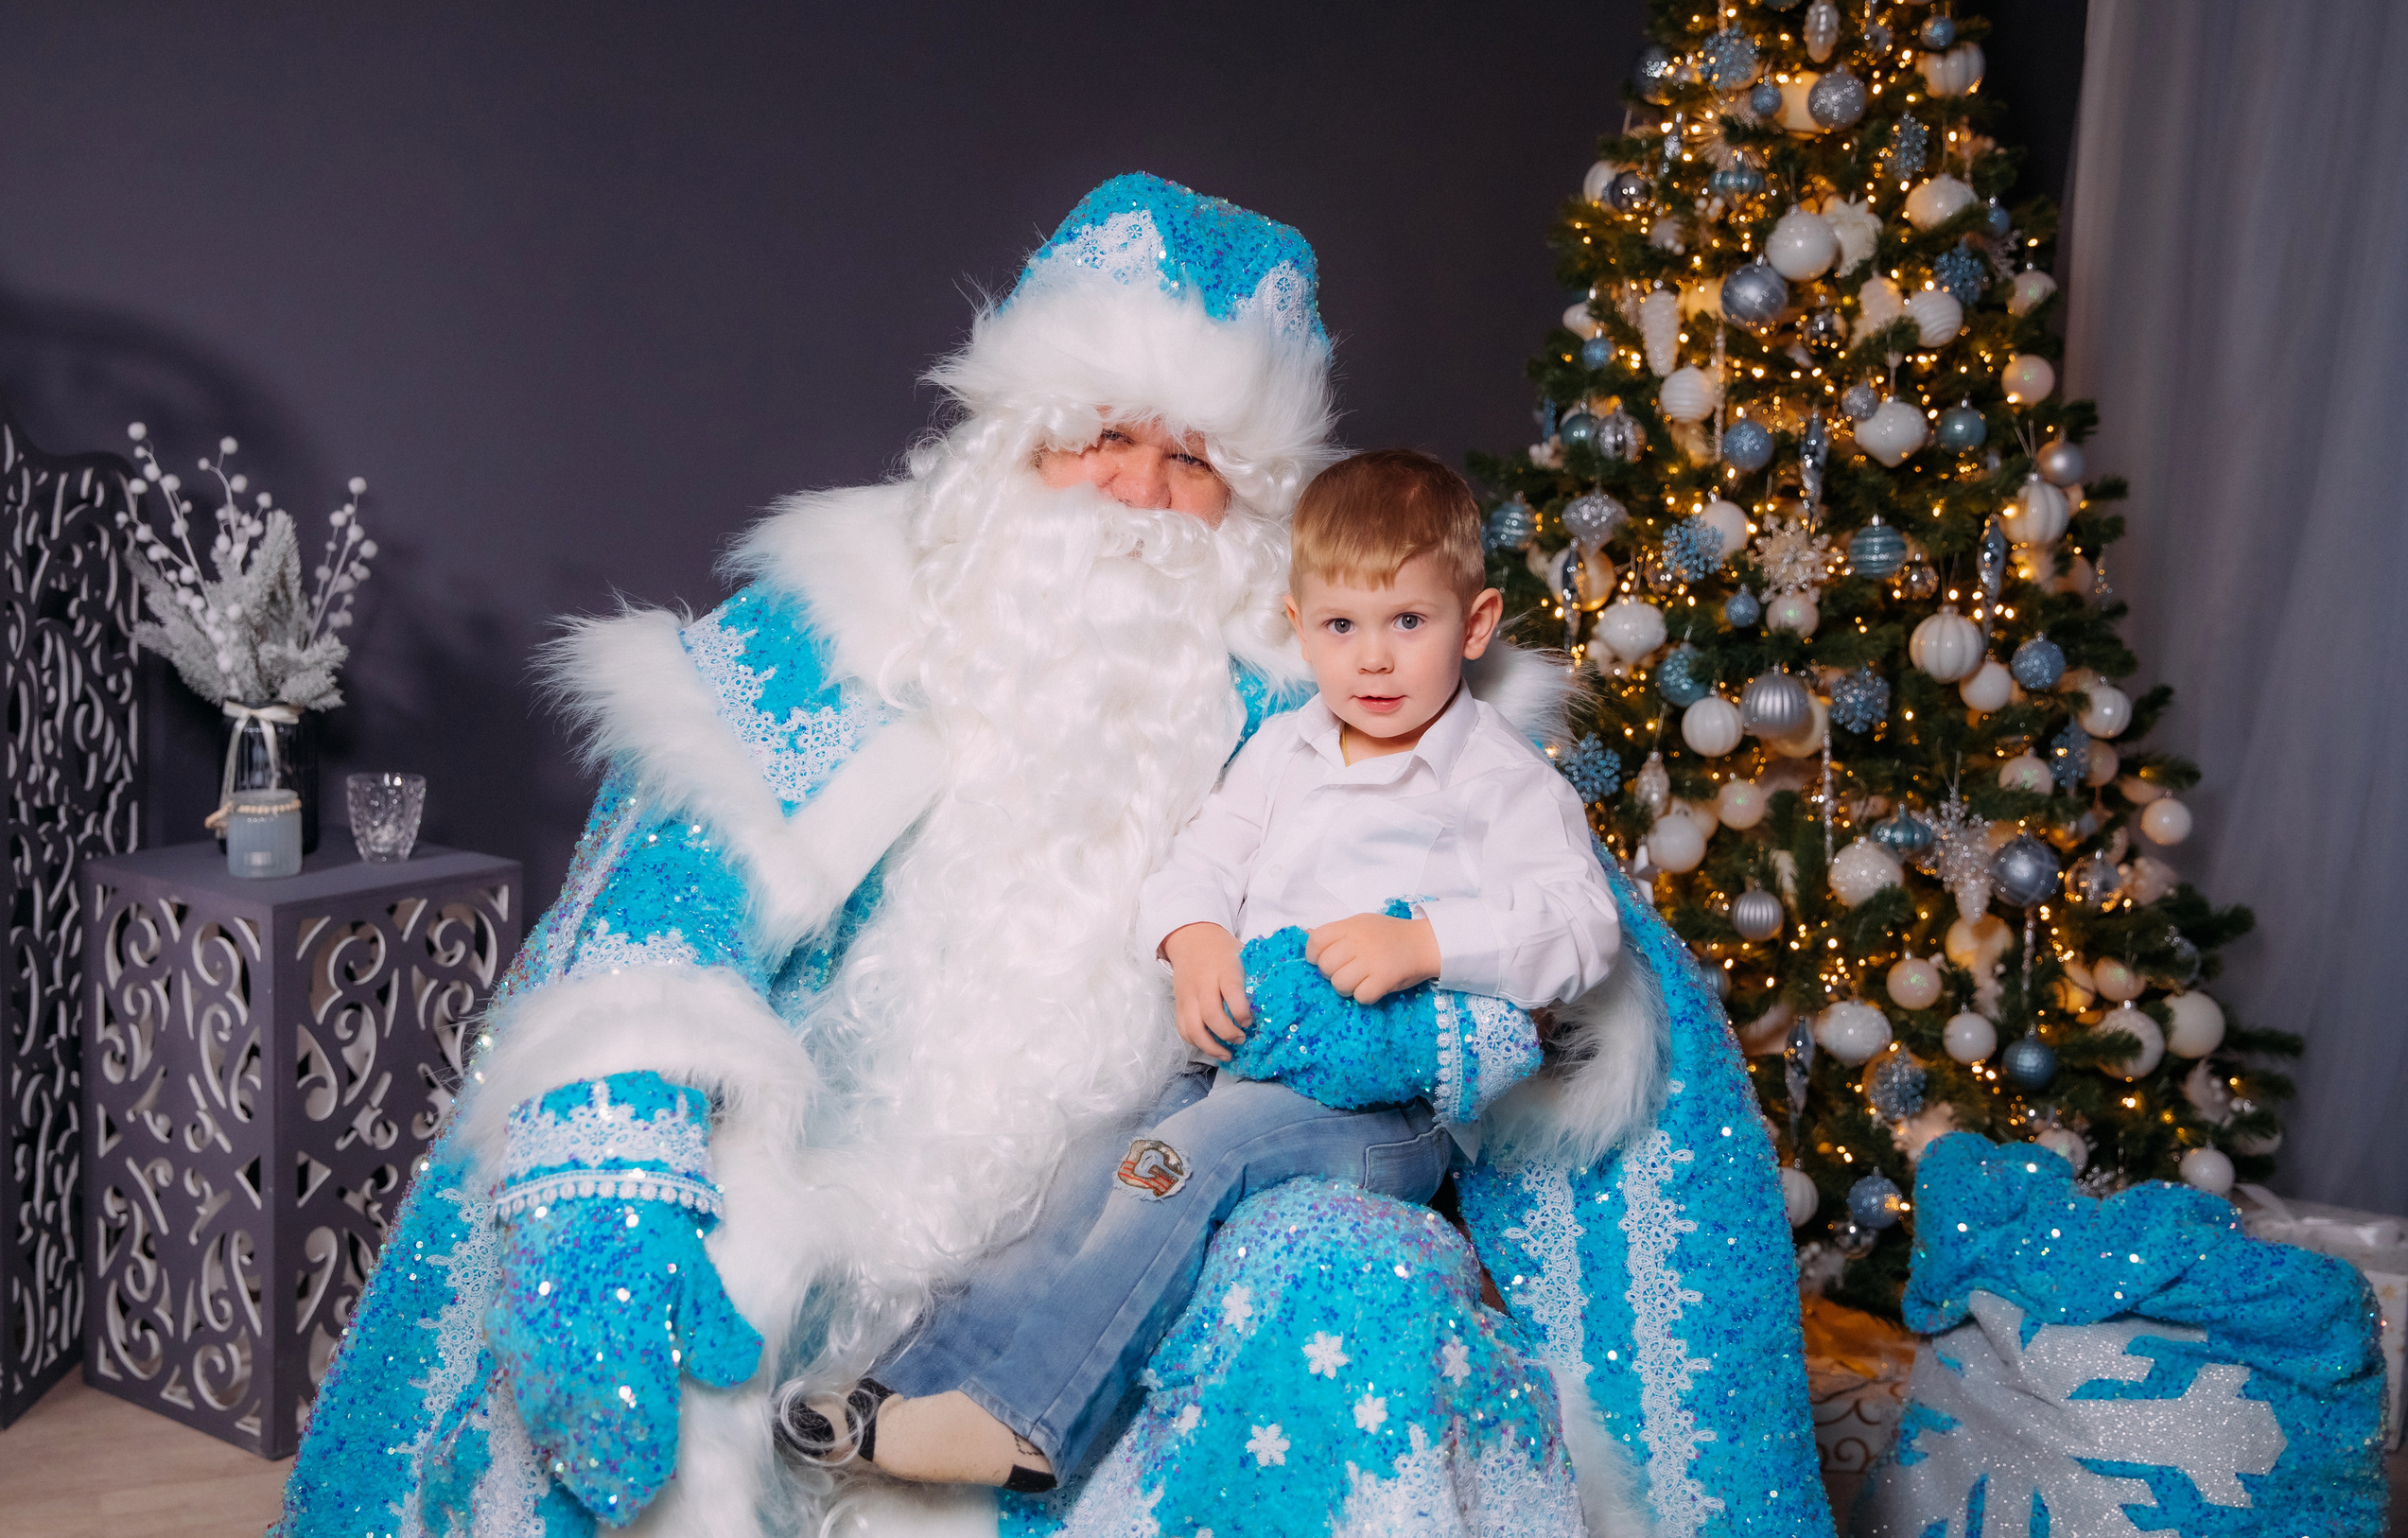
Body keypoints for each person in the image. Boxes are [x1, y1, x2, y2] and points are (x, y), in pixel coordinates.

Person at [272, 170, 1833, 1538]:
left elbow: (1610, 1008)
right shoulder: (837, 633)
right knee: (603, 1266)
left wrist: (1431, 1005)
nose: (1145, 496)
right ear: (1014, 442)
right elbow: (657, 912)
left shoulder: (1346, 706)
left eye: (1198, 462)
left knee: (1348, 1280)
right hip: (821, 1234)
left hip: (1154, 1270)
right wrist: (611, 1150)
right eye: (1104, 438)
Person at [793, 450, 1621, 1493]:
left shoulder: (1497, 778)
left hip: (1385, 1110)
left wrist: (1428, 944)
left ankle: (1026, 1420)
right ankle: (902, 1390)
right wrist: (1196, 943)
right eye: (1340, 628)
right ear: (1297, 623)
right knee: (1082, 1176)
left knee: (1181, 1162)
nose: (1373, 661)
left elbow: (1582, 924)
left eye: (1408, 623)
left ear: (1477, 623)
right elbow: (1198, 864)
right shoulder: (1284, 751)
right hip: (1243, 1059)